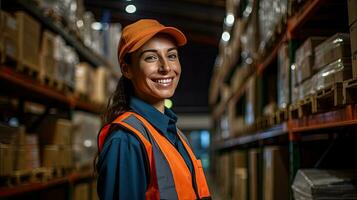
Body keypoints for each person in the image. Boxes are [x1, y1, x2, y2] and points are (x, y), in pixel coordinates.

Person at [96, 19, 211, 200]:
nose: (166, 67)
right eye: (151, 57)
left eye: (171, 56)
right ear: (127, 69)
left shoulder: (175, 134)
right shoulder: (126, 141)